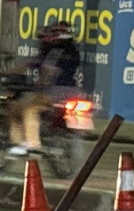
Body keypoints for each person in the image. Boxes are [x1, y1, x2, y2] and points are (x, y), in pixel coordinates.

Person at [8, 20, 82, 155]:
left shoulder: (53, 52)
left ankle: (31, 143)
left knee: (29, 109)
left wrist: (38, 86)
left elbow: (48, 72)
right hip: (72, 91)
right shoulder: (74, 51)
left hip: (54, 92)